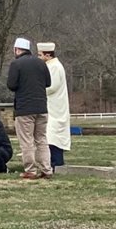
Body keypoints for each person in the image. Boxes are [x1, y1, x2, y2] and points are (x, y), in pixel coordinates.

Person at [7, 37, 52, 179]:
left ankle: (30, 170)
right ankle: (47, 169)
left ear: (16, 49)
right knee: (41, 139)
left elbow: (11, 85)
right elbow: (48, 83)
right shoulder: (41, 63)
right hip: (42, 107)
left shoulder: (16, 64)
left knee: (27, 141)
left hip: (24, 108)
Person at [38, 42, 71, 170]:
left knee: (54, 137)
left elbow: (52, 87)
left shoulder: (55, 67)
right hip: (51, 106)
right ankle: (50, 163)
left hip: (56, 108)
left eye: (40, 55)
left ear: (48, 55)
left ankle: (57, 163)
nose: (39, 57)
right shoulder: (50, 66)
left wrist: (37, 89)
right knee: (49, 136)